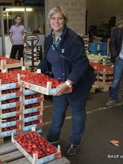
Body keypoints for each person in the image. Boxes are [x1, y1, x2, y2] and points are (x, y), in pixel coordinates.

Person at [38, 6, 95, 156]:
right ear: (49, 21)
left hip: (77, 82)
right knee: (58, 110)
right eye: (53, 18)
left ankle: (75, 142)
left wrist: (68, 83)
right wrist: (37, 72)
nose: (56, 21)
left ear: (64, 21)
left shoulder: (73, 39)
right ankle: (52, 138)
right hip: (58, 81)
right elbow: (46, 59)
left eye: (60, 18)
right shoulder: (49, 39)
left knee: (77, 112)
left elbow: (81, 63)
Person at [105, 25, 123, 106]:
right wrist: (115, 55)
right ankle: (112, 99)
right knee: (116, 80)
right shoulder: (118, 31)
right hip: (120, 59)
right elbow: (112, 44)